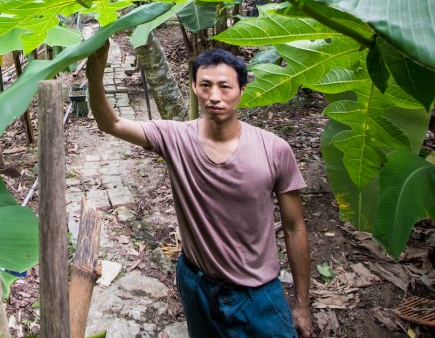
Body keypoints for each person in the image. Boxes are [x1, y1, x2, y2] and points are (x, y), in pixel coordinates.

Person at [85, 42, 313, 338]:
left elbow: (295, 227)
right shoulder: (174, 138)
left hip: (257, 293)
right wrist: (94, 76)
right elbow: (111, 123)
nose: (214, 96)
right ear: (194, 86)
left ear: (242, 90)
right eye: (205, 85)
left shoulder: (274, 150)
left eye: (225, 87)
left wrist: (302, 305)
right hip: (198, 284)